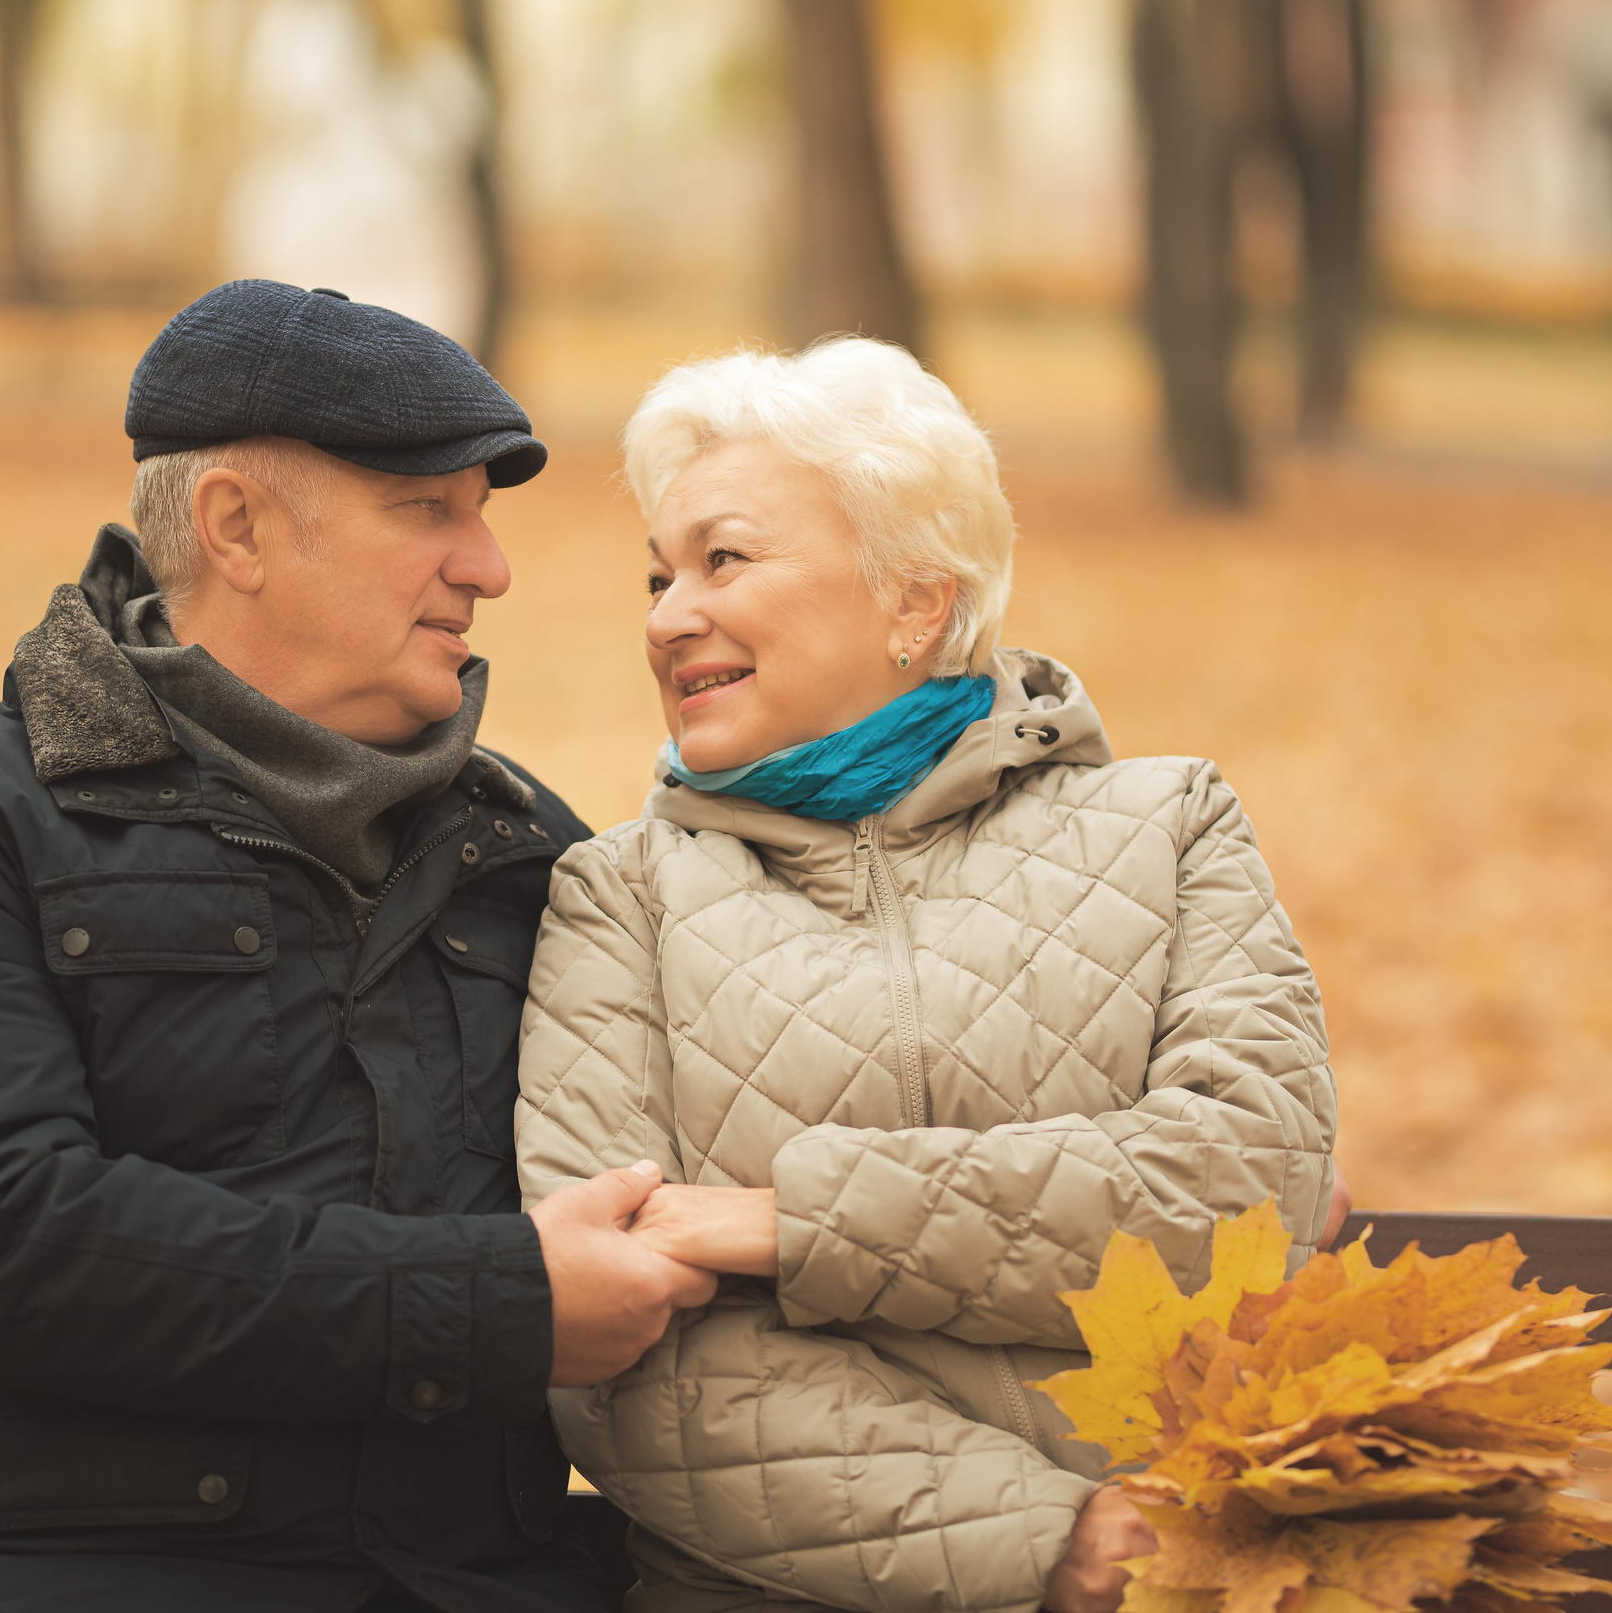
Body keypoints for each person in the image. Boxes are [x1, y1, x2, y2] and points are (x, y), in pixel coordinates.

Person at [0, 280, 715, 1613]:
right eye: (428, 510)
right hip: (59, 1577)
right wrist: (498, 1302)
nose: (489, 566)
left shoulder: (525, 851)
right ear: (236, 527)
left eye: (480, 514)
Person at [516, 338, 1347, 1613]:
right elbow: (620, 1351)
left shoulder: (1168, 827)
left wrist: (789, 1226)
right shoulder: (617, 896)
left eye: (722, 560)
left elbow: (1244, 1190)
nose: (668, 616)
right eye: (658, 575)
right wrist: (1050, 1539)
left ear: (914, 600)